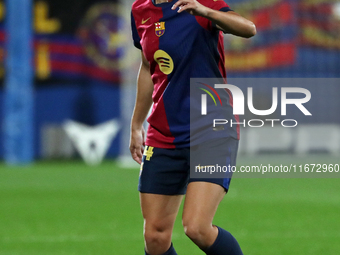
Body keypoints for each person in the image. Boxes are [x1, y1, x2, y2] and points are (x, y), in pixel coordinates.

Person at [129, 0, 256, 254]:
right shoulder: (139, 10)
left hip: (211, 130)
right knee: (155, 237)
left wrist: (206, 12)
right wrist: (136, 124)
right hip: (163, 134)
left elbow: (249, 29)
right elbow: (147, 66)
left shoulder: (200, 2)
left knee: (197, 227)